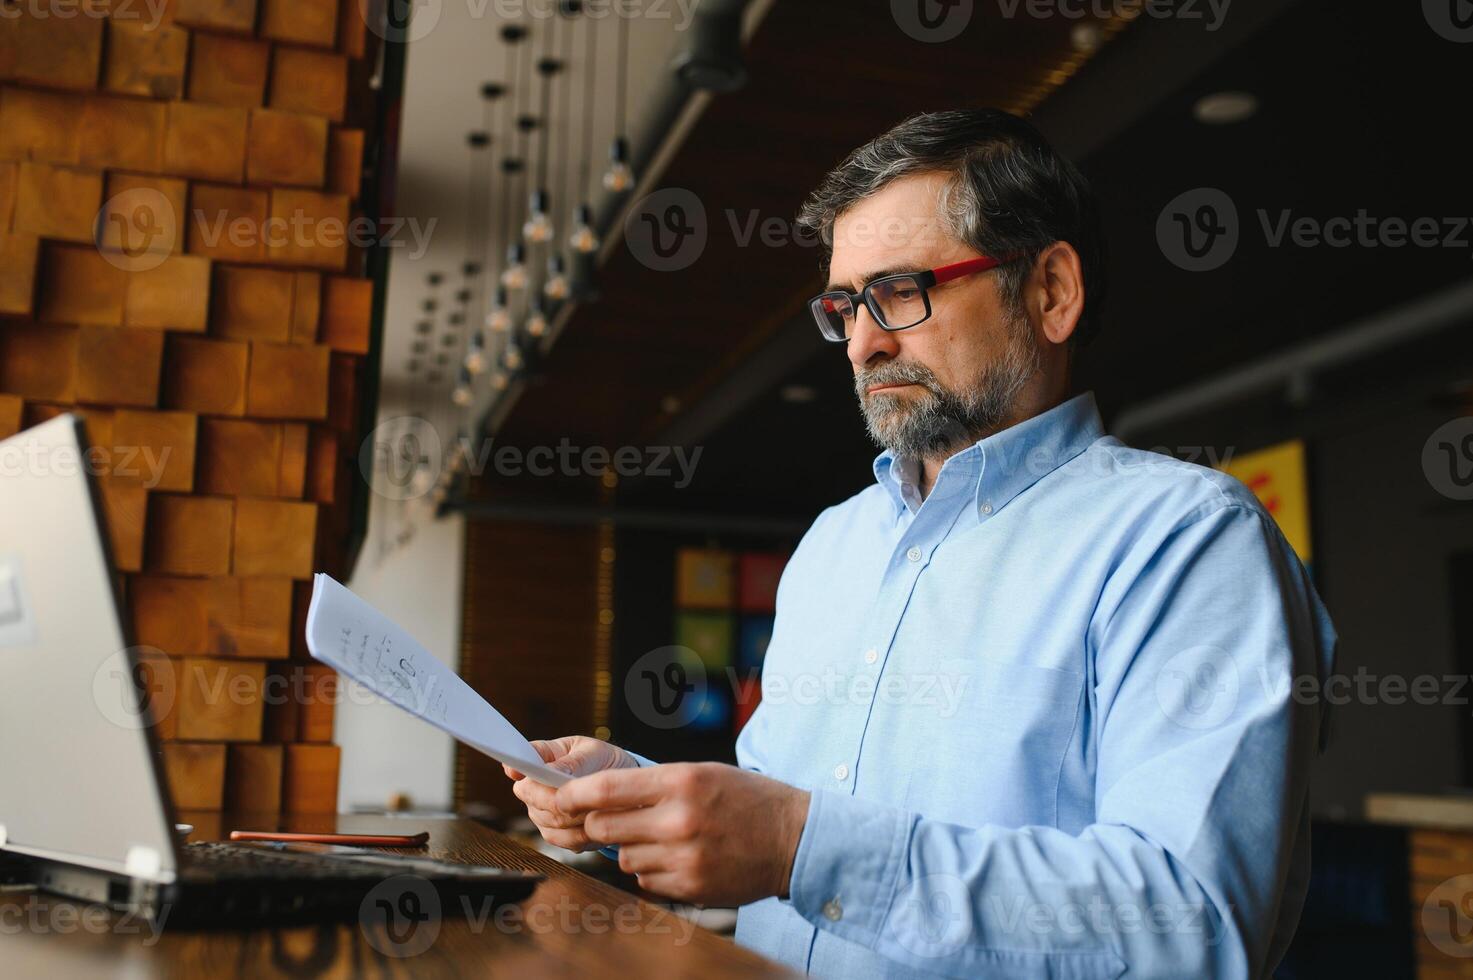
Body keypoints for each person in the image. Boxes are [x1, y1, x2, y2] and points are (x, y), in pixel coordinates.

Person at [503, 108, 1336, 978]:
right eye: (842, 307)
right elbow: (787, 807)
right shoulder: (832, 545)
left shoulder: (1186, 541)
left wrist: (795, 844)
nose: (864, 342)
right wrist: (636, 794)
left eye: (900, 291)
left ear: (1050, 292)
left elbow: (1189, 926)